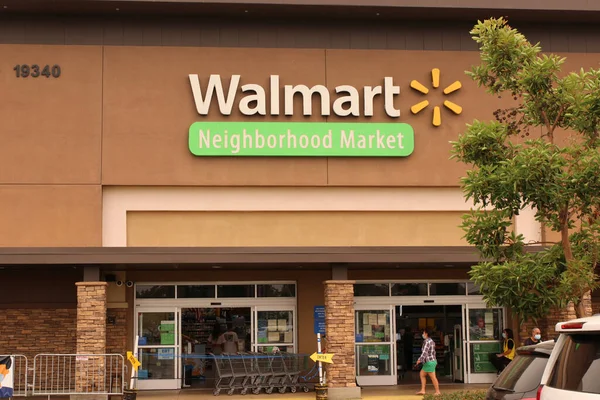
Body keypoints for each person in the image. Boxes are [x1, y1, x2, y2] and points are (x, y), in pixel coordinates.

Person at [415, 329, 441, 396]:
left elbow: (425, 352)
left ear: (426, 334)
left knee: (432, 377)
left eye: (423, 333)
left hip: (429, 362)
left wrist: (419, 360)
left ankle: (437, 391)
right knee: (422, 374)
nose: (423, 334)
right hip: (431, 361)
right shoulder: (432, 341)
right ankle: (423, 390)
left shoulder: (426, 342)